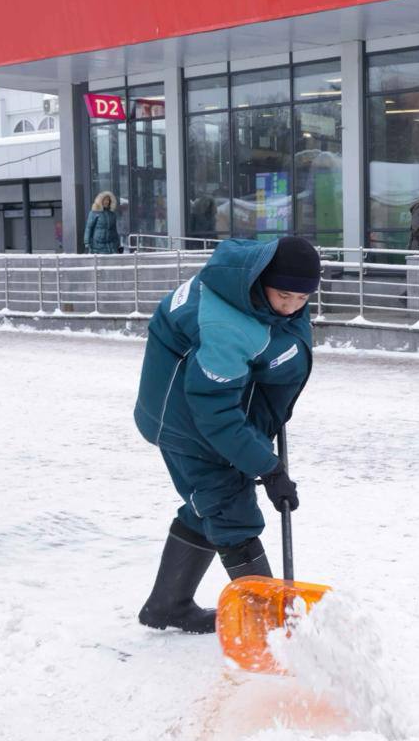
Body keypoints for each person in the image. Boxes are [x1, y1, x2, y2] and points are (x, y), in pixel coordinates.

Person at [133, 235, 320, 633]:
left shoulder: (255, 283)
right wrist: (269, 470)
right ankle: (272, 629)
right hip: (184, 420)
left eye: (303, 299)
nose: (291, 308)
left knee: (209, 504)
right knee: (230, 510)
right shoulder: (226, 326)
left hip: (210, 404)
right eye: (284, 296)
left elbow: (279, 332)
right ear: (261, 280)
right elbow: (215, 414)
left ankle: (168, 605)